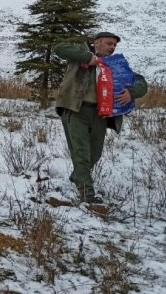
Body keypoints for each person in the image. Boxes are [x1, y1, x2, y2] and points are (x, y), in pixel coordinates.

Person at [53, 32, 148, 204]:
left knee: (95, 154)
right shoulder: (81, 56)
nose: (112, 47)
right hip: (76, 110)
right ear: (96, 43)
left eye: (114, 45)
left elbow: (141, 82)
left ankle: (77, 177)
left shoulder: (116, 66)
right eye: (109, 43)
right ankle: (87, 195)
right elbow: (59, 49)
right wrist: (88, 58)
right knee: (81, 154)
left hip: (101, 115)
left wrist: (132, 93)